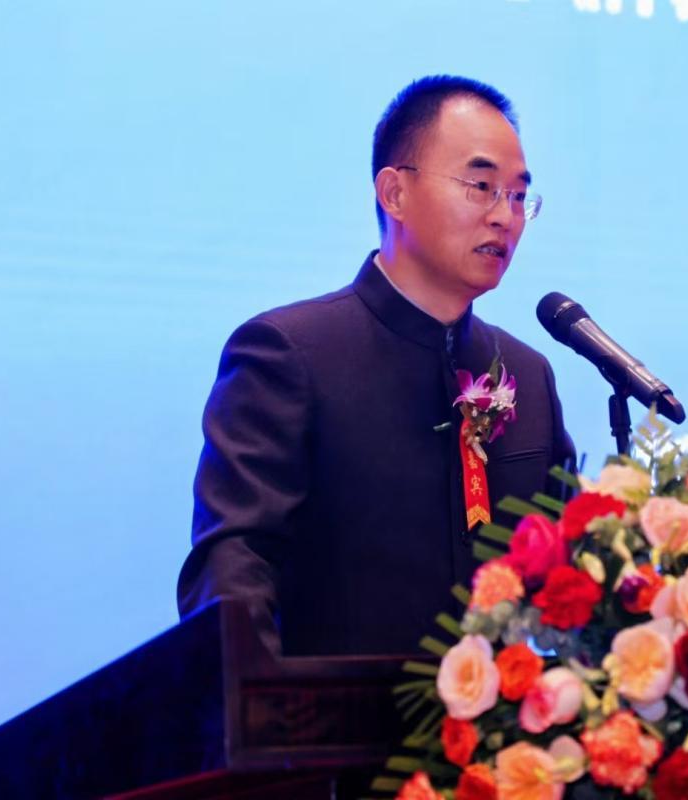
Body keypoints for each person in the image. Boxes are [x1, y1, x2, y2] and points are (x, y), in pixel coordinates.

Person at [176, 76, 575, 658]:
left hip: (503, 718)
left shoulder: (527, 375)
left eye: (518, 196)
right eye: (481, 186)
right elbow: (233, 570)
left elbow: (570, 578)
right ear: (394, 193)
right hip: (330, 715)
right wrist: (263, 701)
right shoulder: (289, 355)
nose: (505, 217)